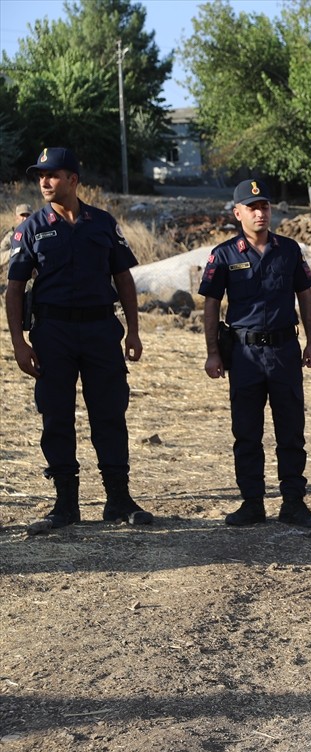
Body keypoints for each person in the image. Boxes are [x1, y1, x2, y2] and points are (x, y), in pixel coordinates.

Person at [4, 147, 152, 531]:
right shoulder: (31, 227)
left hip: (102, 331)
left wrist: (133, 330)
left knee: (109, 412)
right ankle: (65, 504)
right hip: (52, 333)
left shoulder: (102, 223)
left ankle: (118, 499)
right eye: (40, 176)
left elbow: (123, 279)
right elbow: (15, 288)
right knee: (56, 415)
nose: (44, 182)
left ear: (73, 179)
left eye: (52, 175)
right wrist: (19, 343)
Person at [200, 179, 311, 529]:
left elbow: (306, 297)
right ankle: (252, 503)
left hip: (285, 351)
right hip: (244, 354)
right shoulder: (224, 255)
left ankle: (294, 502)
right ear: (237, 213)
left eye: (264, 206)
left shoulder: (289, 249)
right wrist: (213, 353)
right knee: (247, 432)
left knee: (291, 429)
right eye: (252, 207)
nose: (260, 212)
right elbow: (211, 305)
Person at [0, 203, 32, 271]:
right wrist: (14, 252)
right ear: (16, 218)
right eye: (22, 215)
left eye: (28, 215)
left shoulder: (37, 235)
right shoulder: (10, 236)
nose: (25, 218)